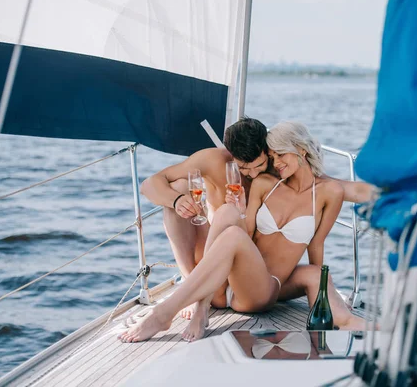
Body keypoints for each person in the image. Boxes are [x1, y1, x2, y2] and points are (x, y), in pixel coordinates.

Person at [120, 122, 366, 343]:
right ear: (231, 156)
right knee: (185, 193)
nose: (252, 174)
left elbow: (342, 189)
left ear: (266, 152)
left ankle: (166, 312)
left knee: (231, 219)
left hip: (248, 274)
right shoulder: (214, 160)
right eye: (243, 168)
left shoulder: (279, 168)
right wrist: (177, 200)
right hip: (215, 269)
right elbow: (150, 185)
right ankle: (197, 299)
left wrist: (395, 189)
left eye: (259, 164)